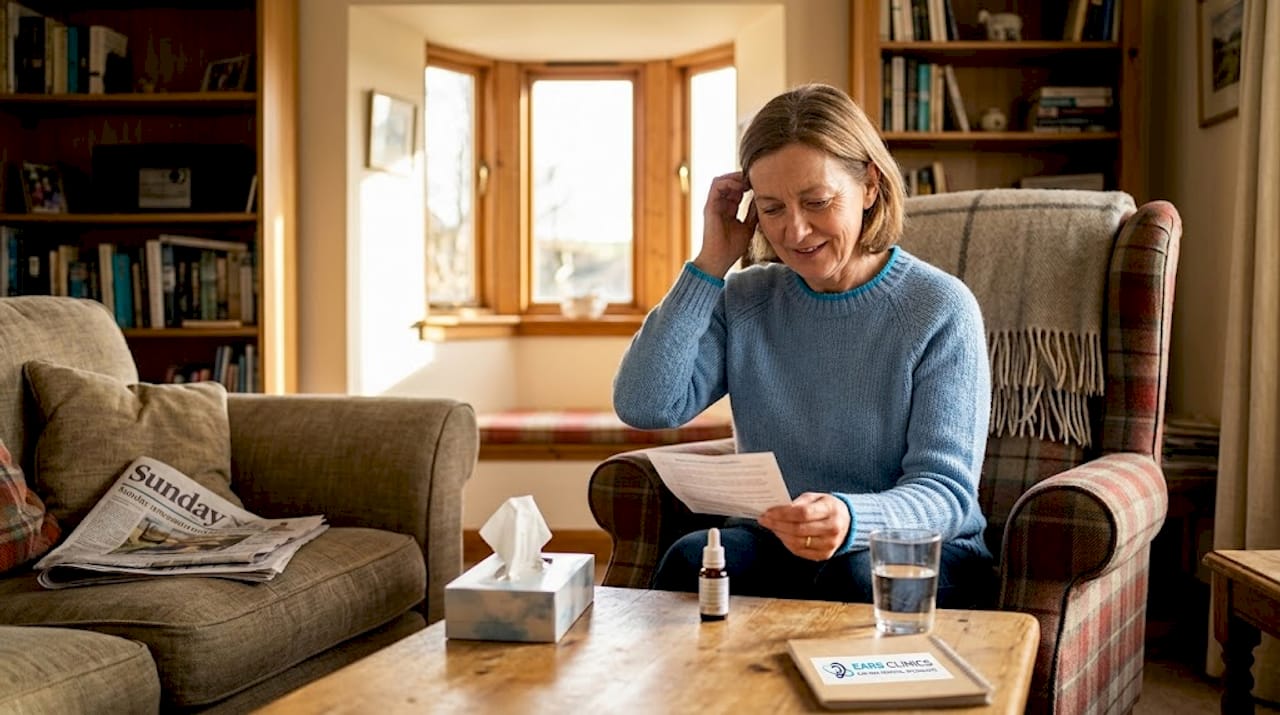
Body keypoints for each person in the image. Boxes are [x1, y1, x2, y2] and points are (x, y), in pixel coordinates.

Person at [612, 83, 994, 608]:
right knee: (691, 558)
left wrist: (852, 518)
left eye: (817, 202)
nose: (794, 230)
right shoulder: (746, 299)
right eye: (771, 209)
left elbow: (946, 494)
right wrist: (708, 267)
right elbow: (644, 403)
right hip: (778, 542)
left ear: (870, 187)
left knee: (856, 578)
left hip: (921, 548)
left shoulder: (939, 307)